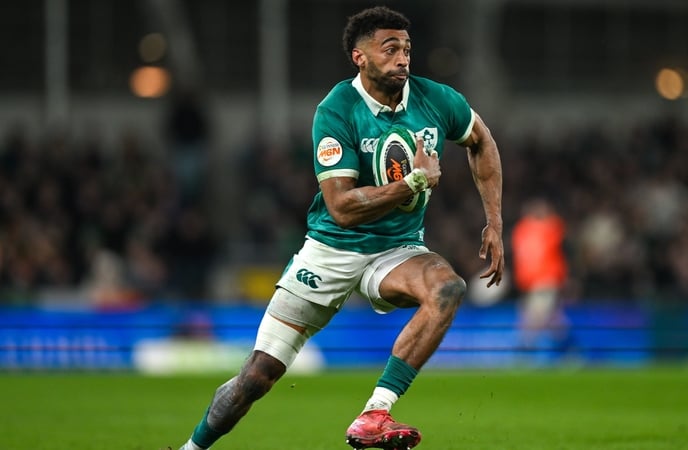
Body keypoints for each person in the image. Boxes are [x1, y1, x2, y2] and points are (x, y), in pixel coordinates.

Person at [171, 6, 504, 450]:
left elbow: (481, 140)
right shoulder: (336, 110)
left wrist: (495, 222)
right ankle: (192, 448)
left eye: (406, 48)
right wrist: (415, 182)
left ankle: (375, 412)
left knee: (447, 288)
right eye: (390, 49)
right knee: (257, 377)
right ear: (359, 57)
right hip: (330, 251)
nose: (403, 58)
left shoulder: (436, 99)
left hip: (396, 249)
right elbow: (342, 207)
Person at [510, 198, 569, 356]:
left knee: (535, 315)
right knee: (553, 319)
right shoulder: (523, 231)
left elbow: (558, 228)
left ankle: (525, 348)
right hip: (530, 284)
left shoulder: (548, 228)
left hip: (546, 281)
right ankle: (570, 350)